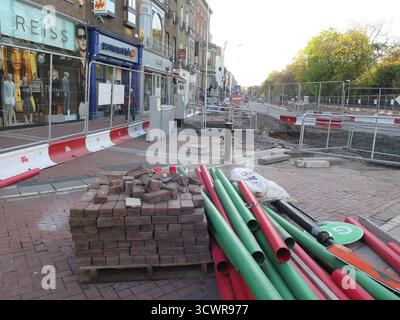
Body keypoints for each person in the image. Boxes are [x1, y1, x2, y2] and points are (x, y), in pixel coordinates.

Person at [76, 24, 87, 106]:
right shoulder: (73, 59)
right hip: (79, 102)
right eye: (80, 37)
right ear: (77, 40)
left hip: (87, 99)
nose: (83, 40)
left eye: (84, 37)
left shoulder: (89, 59)